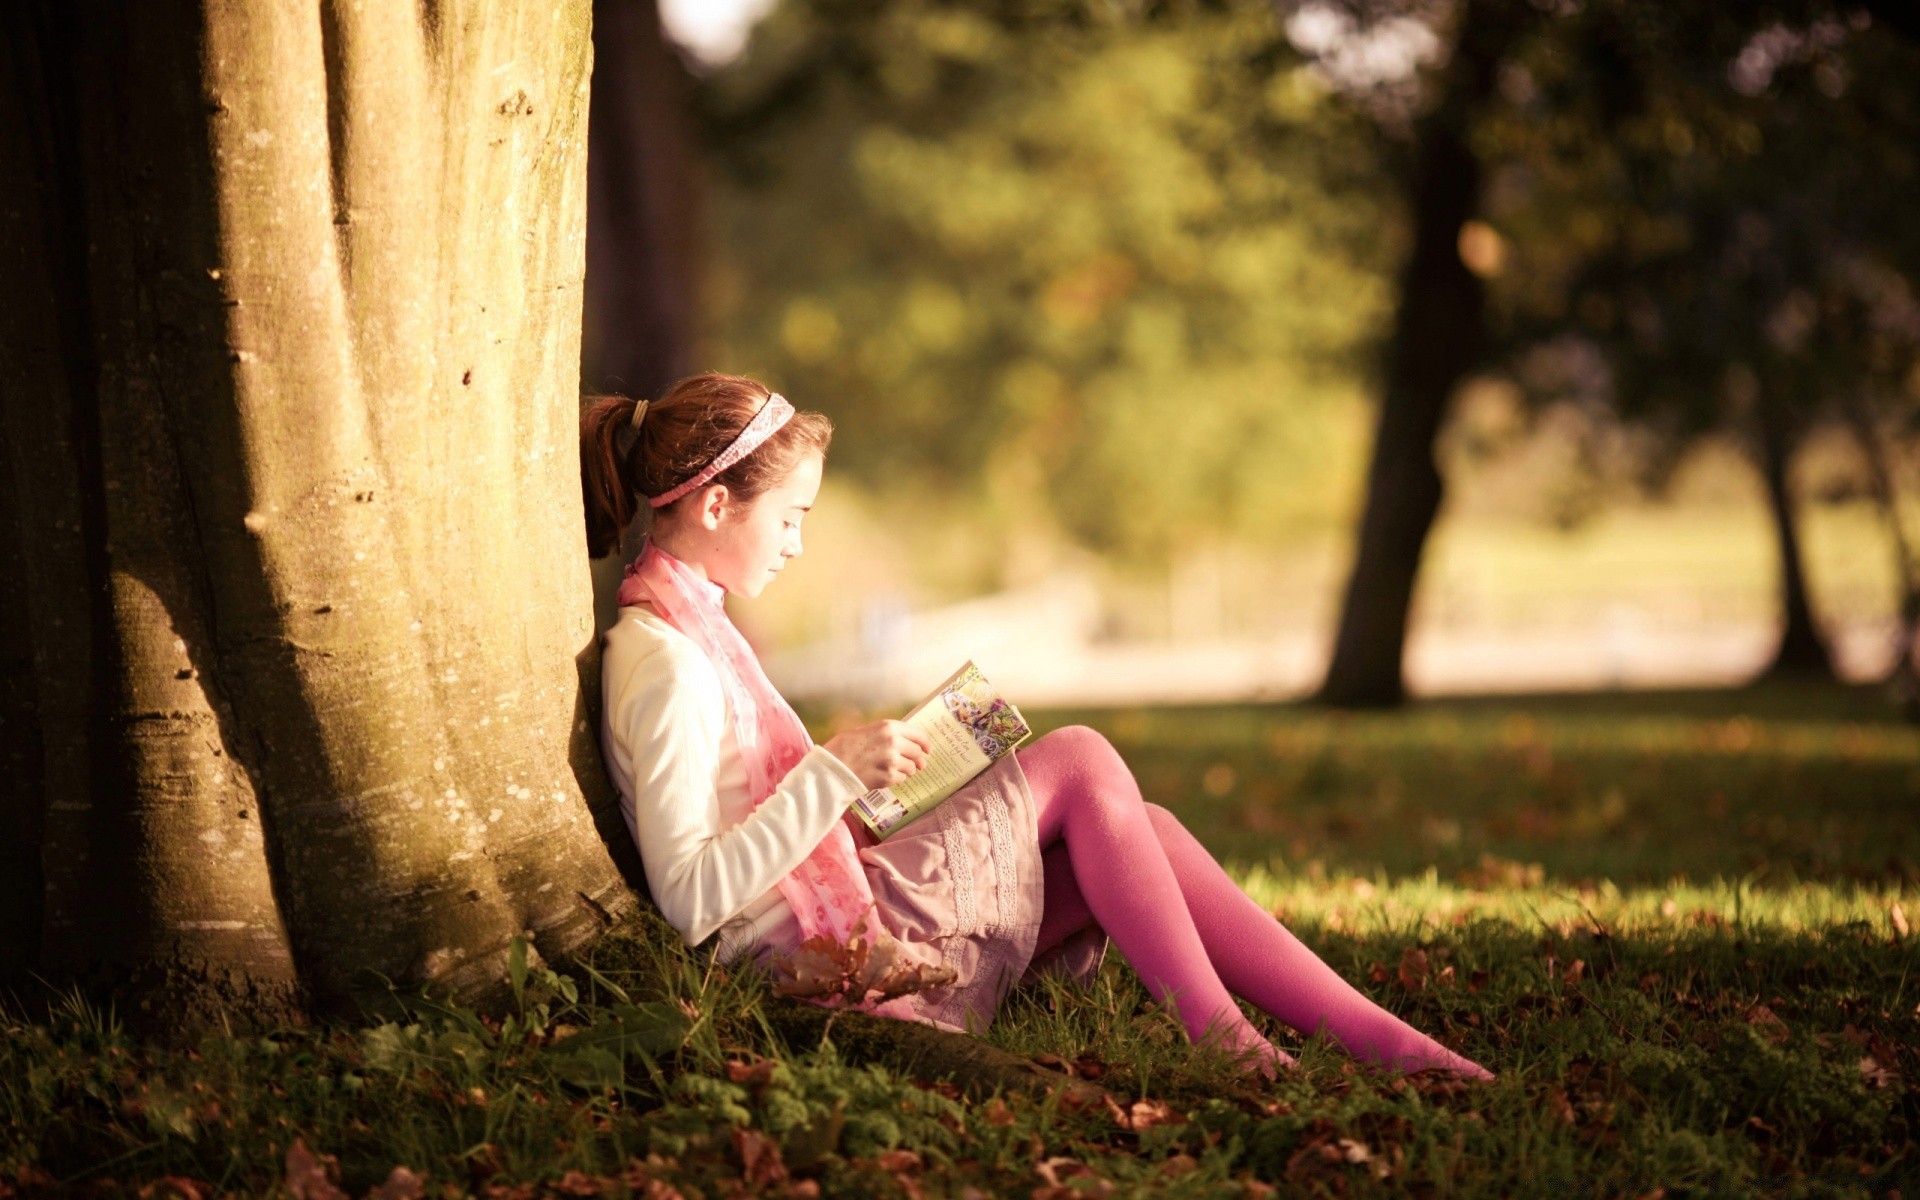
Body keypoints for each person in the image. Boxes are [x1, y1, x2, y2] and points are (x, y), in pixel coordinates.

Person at [580, 372, 1494, 1081]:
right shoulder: (662, 661)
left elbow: (754, 822)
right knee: (1083, 759)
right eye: (790, 517)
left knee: (1146, 835)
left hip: (852, 900)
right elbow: (692, 901)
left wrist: (869, 789)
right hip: (825, 963)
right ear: (711, 505)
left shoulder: (697, 627)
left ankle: (1385, 1042)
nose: (797, 543)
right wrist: (830, 776)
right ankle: (1226, 1042)